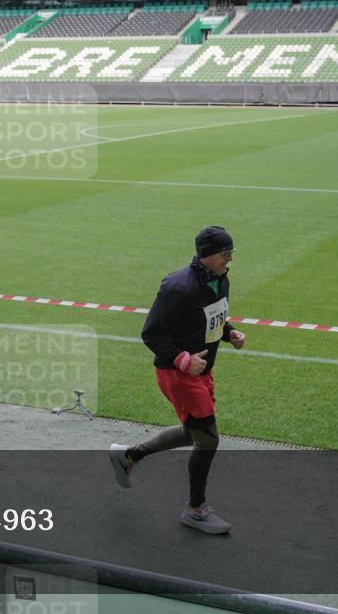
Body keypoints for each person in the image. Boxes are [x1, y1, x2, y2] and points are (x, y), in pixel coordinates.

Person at [108, 225, 245, 535]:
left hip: (201, 371)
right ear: (208, 255)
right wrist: (183, 360)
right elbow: (151, 333)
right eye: (226, 254)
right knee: (207, 438)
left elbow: (212, 317)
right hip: (178, 374)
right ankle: (196, 509)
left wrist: (229, 333)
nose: (231, 259)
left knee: (192, 433)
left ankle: (129, 455)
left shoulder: (219, 279)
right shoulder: (178, 286)